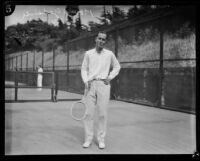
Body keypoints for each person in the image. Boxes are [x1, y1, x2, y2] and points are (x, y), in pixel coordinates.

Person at [81, 31, 121, 149]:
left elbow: (117, 66)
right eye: (100, 38)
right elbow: (84, 69)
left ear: (105, 41)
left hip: (104, 85)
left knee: (102, 114)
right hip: (90, 85)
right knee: (88, 114)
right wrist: (86, 80)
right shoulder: (88, 54)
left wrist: (109, 77)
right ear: (95, 39)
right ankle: (88, 139)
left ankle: (101, 139)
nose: (101, 41)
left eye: (104, 39)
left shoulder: (109, 54)